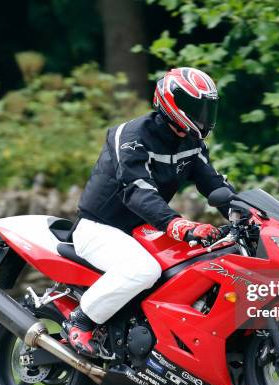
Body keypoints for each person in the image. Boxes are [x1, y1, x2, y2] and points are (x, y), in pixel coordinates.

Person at [63, 67, 233, 357]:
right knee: (144, 270)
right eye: (197, 107)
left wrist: (247, 215)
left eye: (208, 107)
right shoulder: (129, 136)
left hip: (143, 231)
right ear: (173, 104)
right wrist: (178, 225)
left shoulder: (191, 144)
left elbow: (214, 185)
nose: (204, 115)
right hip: (100, 228)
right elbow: (137, 190)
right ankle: (80, 321)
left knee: (198, 262)